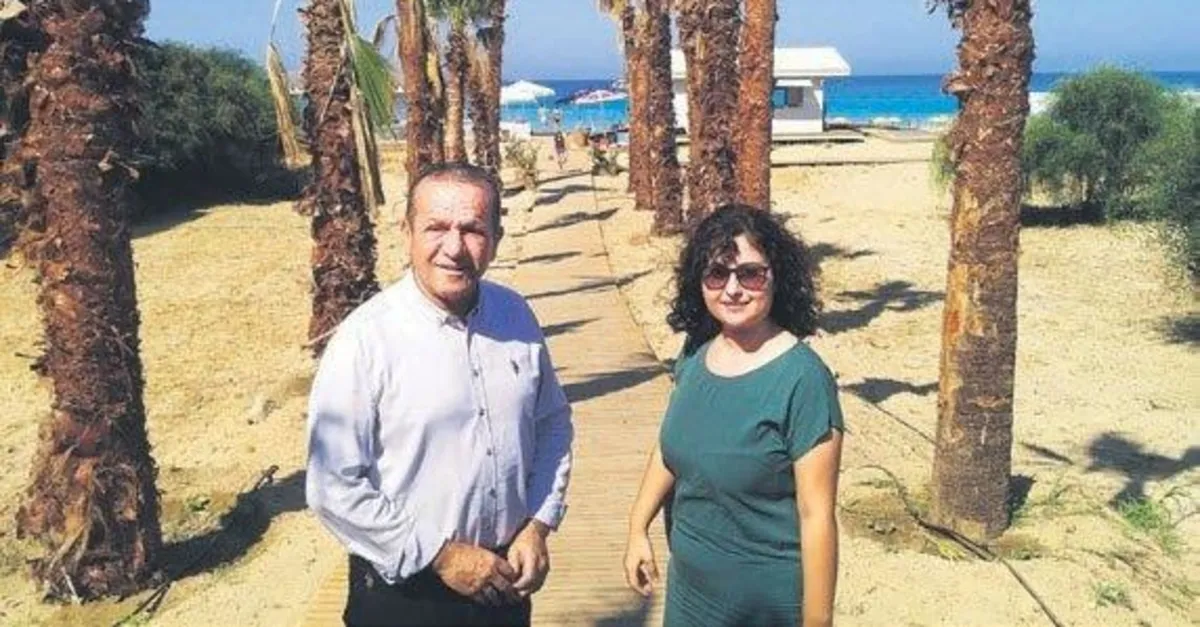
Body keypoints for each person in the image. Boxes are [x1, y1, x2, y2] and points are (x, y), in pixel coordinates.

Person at [306, 163, 575, 627]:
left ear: (496, 237)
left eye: (473, 230)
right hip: (405, 594)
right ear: (406, 232)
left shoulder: (515, 315)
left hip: (504, 584)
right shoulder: (365, 340)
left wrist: (537, 523)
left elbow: (551, 423)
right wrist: (441, 555)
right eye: (436, 228)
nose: (454, 247)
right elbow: (332, 486)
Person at [623, 204, 844, 627]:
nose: (732, 289)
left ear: (777, 276)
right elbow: (670, 447)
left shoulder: (803, 380)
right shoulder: (696, 351)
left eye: (750, 274)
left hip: (762, 606)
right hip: (688, 595)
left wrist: (818, 622)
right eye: (717, 274)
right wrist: (637, 527)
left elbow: (816, 516)